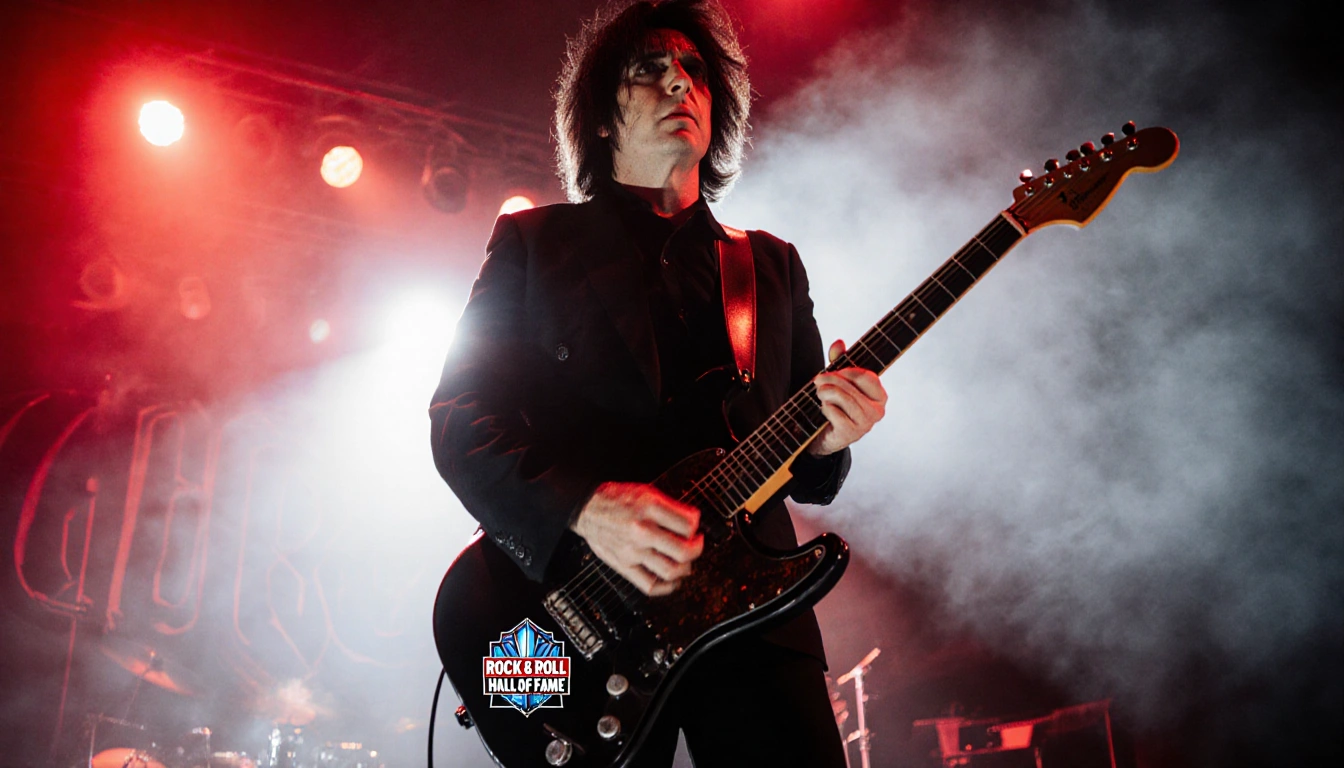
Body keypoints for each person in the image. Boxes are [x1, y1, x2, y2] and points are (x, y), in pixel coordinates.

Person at [429, 1, 887, 765]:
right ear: (601, 118)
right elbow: (459, 421)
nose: (681, 83)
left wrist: (834, 433)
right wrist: (582, 509)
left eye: (696, 71)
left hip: (752, 619)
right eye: (650, 71)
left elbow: (810, 475)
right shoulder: (534, 246)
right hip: (567, 616)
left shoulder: (769, 265)